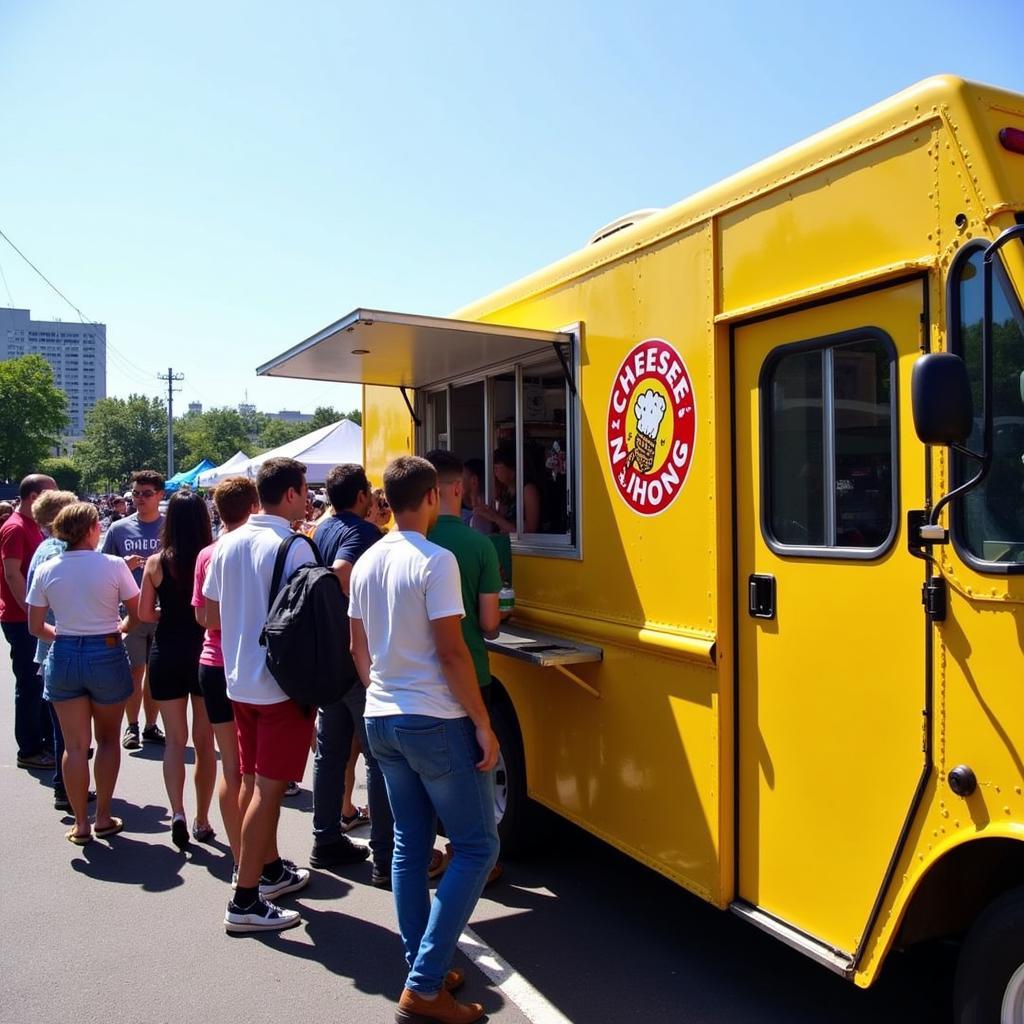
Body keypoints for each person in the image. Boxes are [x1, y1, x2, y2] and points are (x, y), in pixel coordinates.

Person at [350, 455, 500, 1024]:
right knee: (477, 847)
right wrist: (483, 722)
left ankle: (423, 965)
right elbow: (452, 650)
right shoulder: (435, 562)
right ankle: (425, 982)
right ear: (434, 495)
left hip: (381, 716)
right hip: (433, 718)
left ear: (388, 498)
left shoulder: (366, 562)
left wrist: (380, 692)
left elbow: (357, 648)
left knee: (411, 846)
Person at [203, 457, 318, 934]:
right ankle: (245, 898)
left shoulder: (225, 544)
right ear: (289, 493)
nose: (309, 497)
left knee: (254, 782)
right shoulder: (294, 548)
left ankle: (267, 872)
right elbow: (314, 623)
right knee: (268, 791)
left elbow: (208, 615)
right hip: (279, 686)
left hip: (238, 681)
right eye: (305, 490)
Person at [27, 502, 138, 844]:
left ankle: (80, 824)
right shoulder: (113, 565)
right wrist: (118, 629)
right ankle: (103, 815)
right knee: (107, 739)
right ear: (92, 529)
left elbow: (35, 625)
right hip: (105, 649)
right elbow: (136, 614)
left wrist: (61, 636)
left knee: (74, 746)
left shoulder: (49, 567)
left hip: (64, 653)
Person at [426, 450, 505, 887]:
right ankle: (475, 857)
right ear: (460, 488)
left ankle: (431, 854)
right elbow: (490, 625)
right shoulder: (479, 545)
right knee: (476, 775)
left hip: (418, 685)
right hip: (471, 674)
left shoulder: (410, 542)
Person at [308, 464, 384, 873]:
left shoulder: (322, 529)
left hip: (327, 655)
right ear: (360, 496)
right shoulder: (363, 533)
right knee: (375, 755)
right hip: (356, 656)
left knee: (330, 752)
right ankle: (385, 853)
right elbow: (341, 573)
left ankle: (326, 839)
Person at [139, 491, 215, 851]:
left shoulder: (156, 563)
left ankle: (178, 812)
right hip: (202, 652)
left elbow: (143, 614)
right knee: (204, 742)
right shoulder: (210, 559)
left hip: (165, 651)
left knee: (173, 741)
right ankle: (203, 818)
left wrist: (166, 614)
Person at [192, 477, 259, 874]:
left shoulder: (208, 554)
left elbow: (204, 617)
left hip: (213, 663)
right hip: (247, 667)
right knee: (254, 773)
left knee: (230, 764)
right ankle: (255, 858)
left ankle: (241, 857)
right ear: (253, 506)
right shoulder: (255, 549)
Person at [25, 489, 85, 810]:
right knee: (71, 734)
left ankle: (67, 787)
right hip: (66, 644)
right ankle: (67, 789)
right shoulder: (60, 550)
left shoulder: (42, 549)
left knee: (64, 729)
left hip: (51, 643)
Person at [102, 469, 166, 749]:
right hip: (132, 611)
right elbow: (103, 568)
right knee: (134, 670)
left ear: (160, 495)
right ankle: (133, 726)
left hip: (165, 613)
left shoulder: (170, 527)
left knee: (155, 672)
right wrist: (122, 567)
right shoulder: (119, 528)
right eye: (136, 494)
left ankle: (152, 726)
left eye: (147, 494)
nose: (140, 499)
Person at [2, 473, 57, 769]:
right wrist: (30, 612)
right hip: (19, 618)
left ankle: (44, 742)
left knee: (39, 682)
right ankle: (30, 749)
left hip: (30, 617)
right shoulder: (15, 527)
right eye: (52, 493)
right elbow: (12, 573)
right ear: (35, 496)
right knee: (29, 683)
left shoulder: (33, 526)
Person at [471, 443, 540, 534]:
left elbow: (530, 531)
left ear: (512, 468)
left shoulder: (528, 490)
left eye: (496, 468)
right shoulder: (505, 492)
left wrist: (495, 517)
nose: (494, 473)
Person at [460, 459, 494, 534]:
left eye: (460, 478)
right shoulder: (455, 510)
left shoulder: (493, 510)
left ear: (474, 480)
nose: (456, 483)